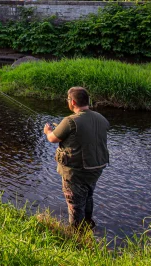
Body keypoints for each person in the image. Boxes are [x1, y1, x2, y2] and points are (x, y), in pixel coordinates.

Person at [43, 86, 110, 230]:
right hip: (96, 169)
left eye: (68, 99)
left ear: (73, 102)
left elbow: (52, 139)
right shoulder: (102, 119)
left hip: (76, 172)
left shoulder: (70, 121)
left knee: (74, 203)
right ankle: (87, 226)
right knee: (88, 196)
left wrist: (48, 131)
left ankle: (76, 236)